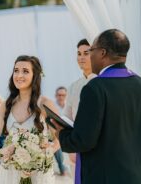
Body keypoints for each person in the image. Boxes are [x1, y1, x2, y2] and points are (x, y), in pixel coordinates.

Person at [52, 29, 141, 184]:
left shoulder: (95, 88)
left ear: (102, 53)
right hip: (137, 178)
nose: (90, 56)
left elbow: (83, 141)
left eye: (90, 51)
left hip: (103, 177)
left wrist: (61, 133)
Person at [0, 55, 60, 184]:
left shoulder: (45, 103)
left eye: (25, 71)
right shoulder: (6, 104)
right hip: (11, 172)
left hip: (38, 172)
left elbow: (60, 136)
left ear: (35, 75)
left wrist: (48, 152)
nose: (19, 75)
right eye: (16, 70)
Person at [63, 39, 96, 180]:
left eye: (86, 53)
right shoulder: (73, 87)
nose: (81, 57)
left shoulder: (103, 83)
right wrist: (71, 147)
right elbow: (67, 118)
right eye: (79, 53)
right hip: (78, 144)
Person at [53, 86, 67, 176]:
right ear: (56, 96)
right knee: (57, 144)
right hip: (55, 133)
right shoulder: (52, 106)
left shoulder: (69, 106)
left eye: (63, 95)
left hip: (68, 132)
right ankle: (63, 169)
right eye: (59, 95)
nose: (61, 97)